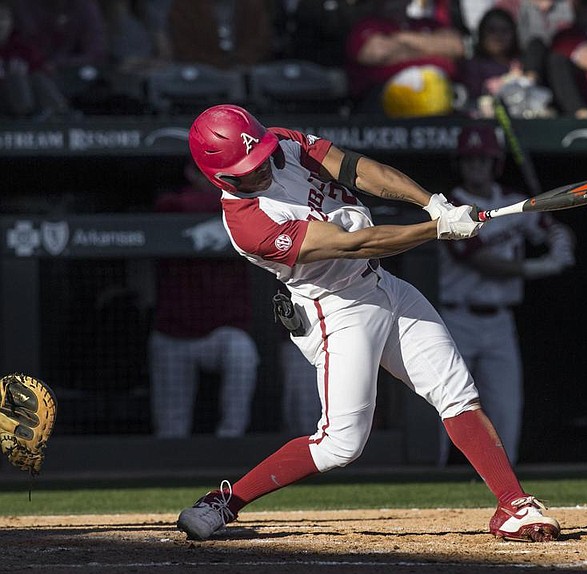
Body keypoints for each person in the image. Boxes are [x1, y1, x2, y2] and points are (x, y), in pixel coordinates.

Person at [175, 103, 561, 544]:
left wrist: (433, 204)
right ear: (220, 177)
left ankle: (513, 503)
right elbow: (354, 243)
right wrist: (437, 230)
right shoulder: (249, 224)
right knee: (341, 444)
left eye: (262, 157)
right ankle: (226, 502)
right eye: (249, 169)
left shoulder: (282, 142)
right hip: (336, 310)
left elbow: (358, 170)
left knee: (457, 394)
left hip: (382, 285)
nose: (262, 168)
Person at [437, 125, 575, 465]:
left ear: (495, 163)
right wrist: (544, 266)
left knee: (506, 407)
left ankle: (508, 486)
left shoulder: (513, 202)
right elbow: (481, 261)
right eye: (469, 161)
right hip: (457, 318)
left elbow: (550, 229)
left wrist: (560, 240)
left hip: (500, 320)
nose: (476, 167)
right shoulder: (451, 206)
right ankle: (435, 473)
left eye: (482, 160)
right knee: (446, 406)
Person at [148, 160, 260, 439]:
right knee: (171, 430)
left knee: (242, 352)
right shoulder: (172, 205)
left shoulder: (246, 205)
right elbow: (169, 206)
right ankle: (170, 466)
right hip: (174, 334)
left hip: (220, 334)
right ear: (191, 173)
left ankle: (231, 439)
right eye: (208, 173)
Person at [344, 0, 467, 116]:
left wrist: (401, 40)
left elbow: (456, 47)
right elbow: (377, 53)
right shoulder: (367, 26)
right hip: (386, 104)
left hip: (443, 99)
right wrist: (432, 48)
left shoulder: (427, 24)